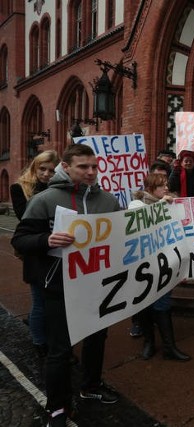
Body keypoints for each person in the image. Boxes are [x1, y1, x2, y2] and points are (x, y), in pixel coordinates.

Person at [11, 144, 121, 427]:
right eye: (83, 167)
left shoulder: (108, 201)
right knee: (59, 349)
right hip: (58, 287)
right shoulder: (45, 200)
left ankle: (91, 386)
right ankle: (58, 407)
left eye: (94, 167)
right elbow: (20, 239)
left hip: (97, 285)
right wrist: (45, 240)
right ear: (67, 166)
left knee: (97, 339)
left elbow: (124, 237)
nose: (91, 172)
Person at [128, 174, 191, 361]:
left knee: (163, 304)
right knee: (145, 305)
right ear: (150, 188)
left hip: (164, 264)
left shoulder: (169, 204)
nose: (165, 188)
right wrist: (161, 205)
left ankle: (169, 347)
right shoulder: (137, 204)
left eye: (166, 185)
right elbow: (141, 222)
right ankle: (148, 342)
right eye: (161, 185)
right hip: (143, 266)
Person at [10, 150, 59, 357]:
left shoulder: (57, 188)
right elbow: (24, 215)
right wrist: (48, 190)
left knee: (55, 301)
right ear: (34, 167)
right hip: (35, 248)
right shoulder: (19, 188)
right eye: (43, 169)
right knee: (39, 300)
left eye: (51, 171)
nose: (47, 174)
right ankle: (40, 344)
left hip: (57, 248)